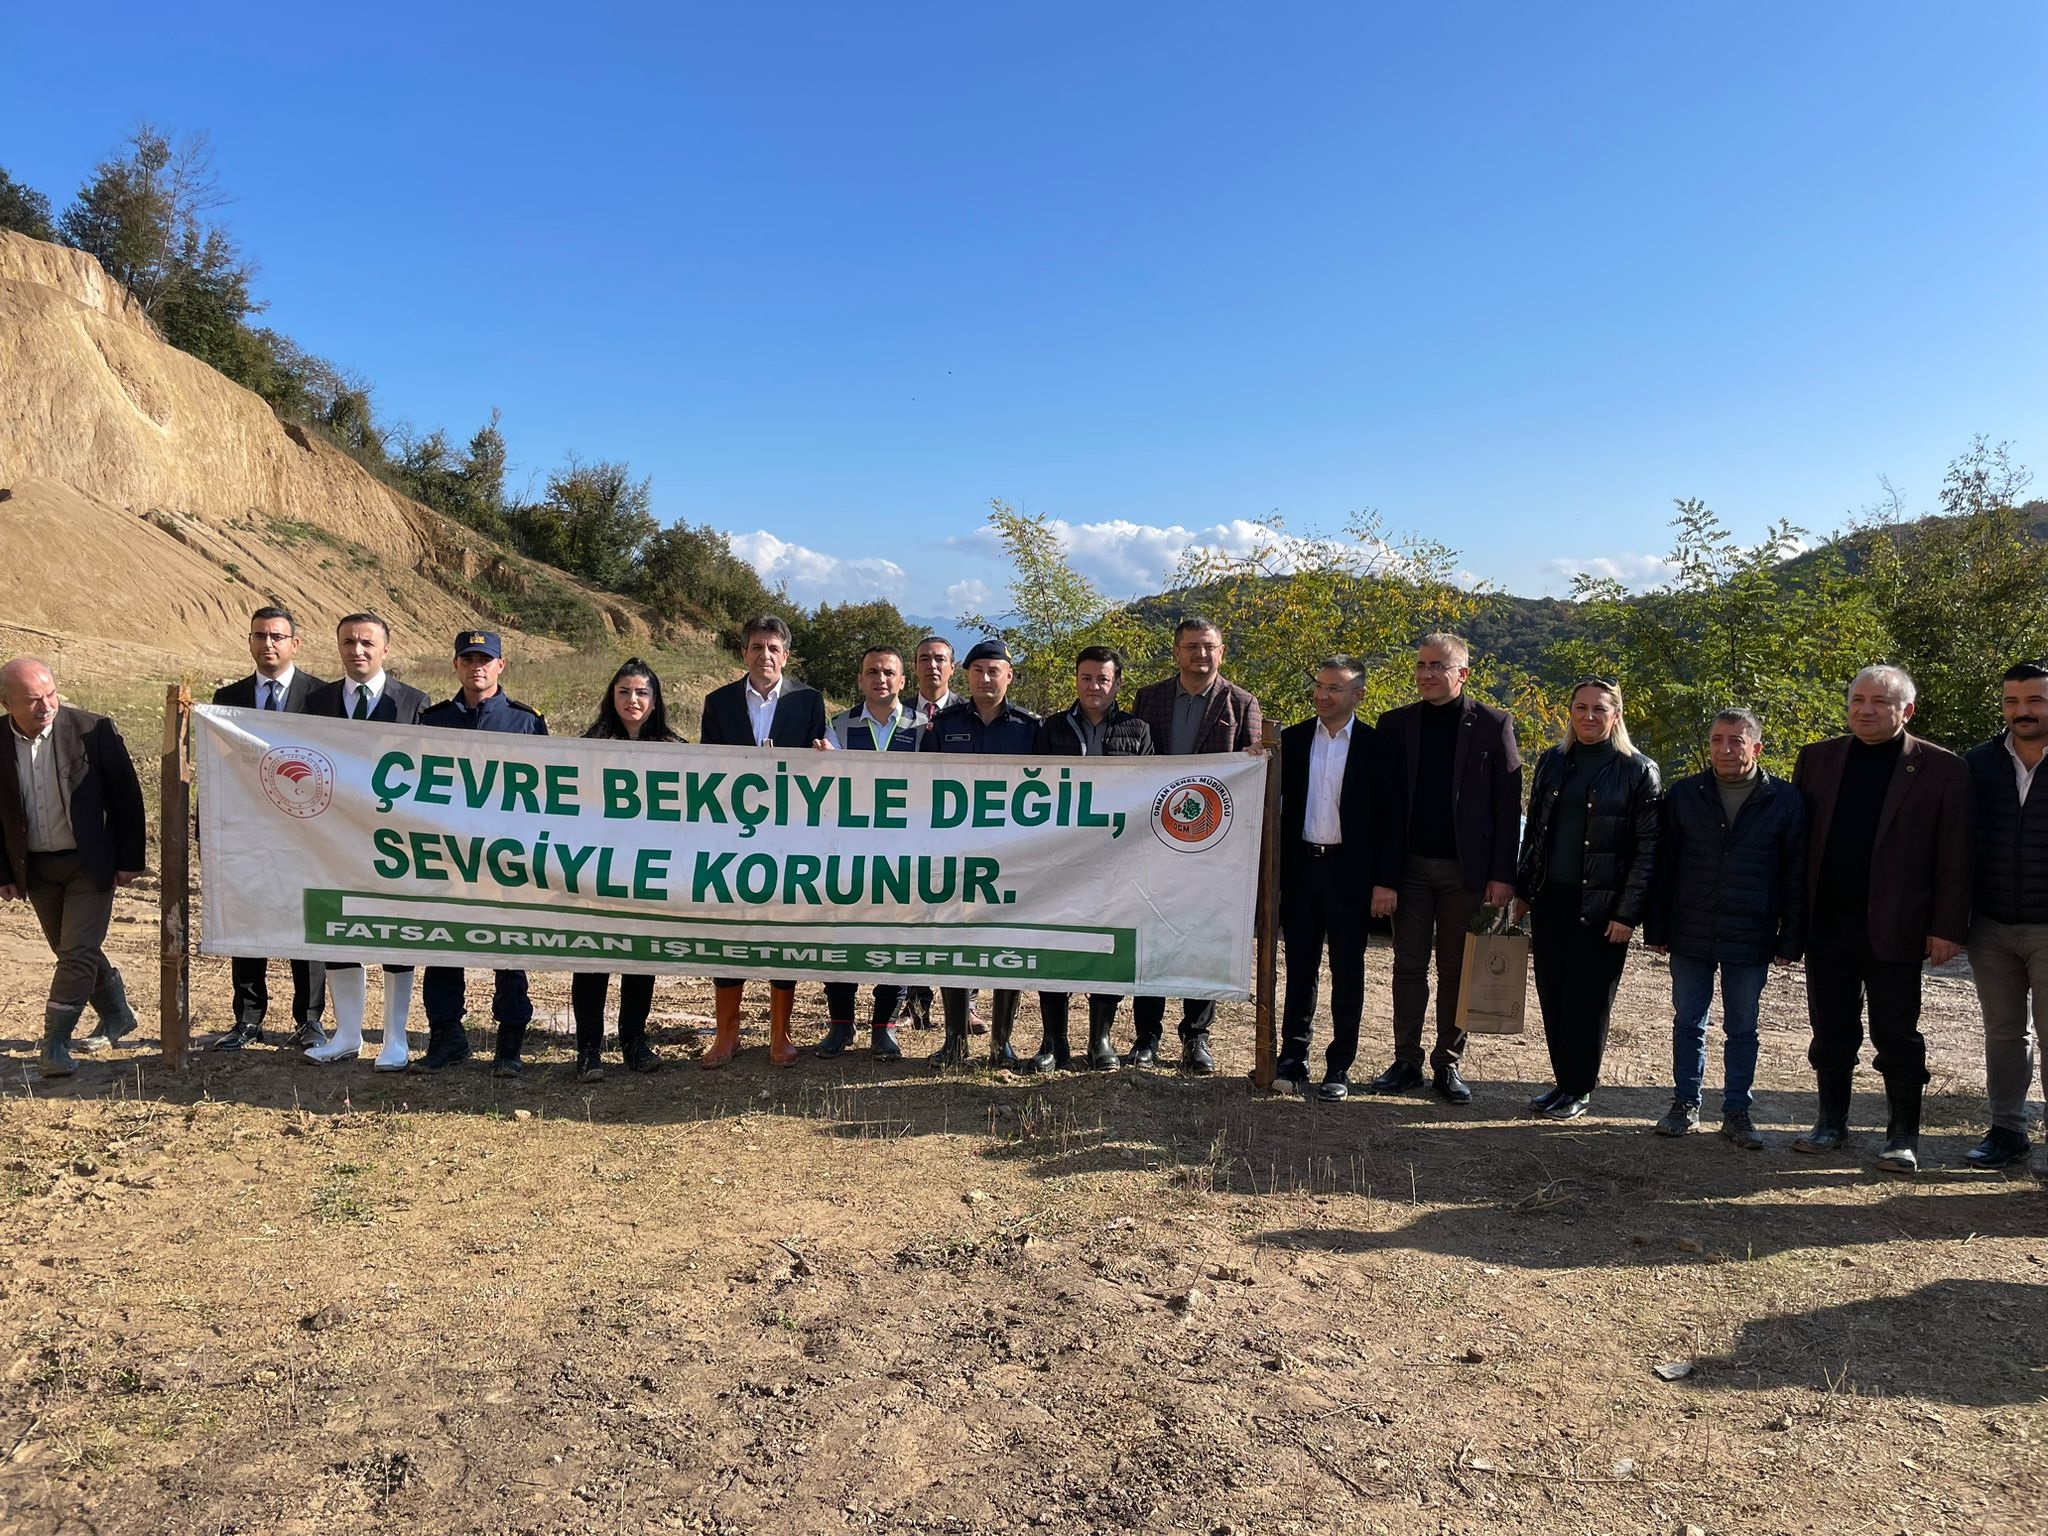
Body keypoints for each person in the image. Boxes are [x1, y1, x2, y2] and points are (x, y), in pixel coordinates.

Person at [1790, 664, 1969, 1173]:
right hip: (1828, 922)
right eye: (1857, 700)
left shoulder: (1941, 769)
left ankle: (1902, 1135)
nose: (1866, 710)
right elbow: (1798, 846)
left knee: (1897, 1034)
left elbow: (1955, 856)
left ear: (1905, 710)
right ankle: (1830, 1123)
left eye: (1880, 702)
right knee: (1830, 1029)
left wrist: (1947, 926)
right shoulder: (1817, 759)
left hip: (1897, 925)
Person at [1643, 709, 1806, 1149]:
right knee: (1688, 1021)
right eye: (1718, 739)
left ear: (1757, 747)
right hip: (1690, 929)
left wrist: (1791, 937)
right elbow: (1664, 867)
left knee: (1743, 1027)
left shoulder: (1784, 800)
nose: (1725, 749)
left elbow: (1795, 875)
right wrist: (1655, 927)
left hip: (1751, 932)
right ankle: (1684, 1104)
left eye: (1736, 740)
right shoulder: (1685, 794)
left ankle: (1737, 1111)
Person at [1373, 632, 1522, 1103]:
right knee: (1408, 966)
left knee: (1458, 971)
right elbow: (1385, 808)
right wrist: (1383, 876)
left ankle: (1448, 1063)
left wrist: (1503, 875)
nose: (1426, 674)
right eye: (1421, 665)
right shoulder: (1394, 724)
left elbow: (1508, 805)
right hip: (1410, 869)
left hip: (1468, 872)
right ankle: (1405, 1061)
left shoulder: (1494, 725)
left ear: (1463, 673)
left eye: (1437, 666)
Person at [1512, 678, 1660, 1120]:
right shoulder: (1554, 761)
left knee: (1589, 1002)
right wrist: (1524, 892)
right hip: (1550, 899)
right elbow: (1534, 833)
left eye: (1599, 709)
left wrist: (1627, 913)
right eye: (1580, 708)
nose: (1588, 716)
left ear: (1616, 715)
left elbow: (1649, 850)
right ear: (1570, 713)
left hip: (1602, 908)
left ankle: (1580, 1087)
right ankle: (1562, 1082)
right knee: (1553, 995)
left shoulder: (1638, 770)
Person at [0, 657, 148, 1078]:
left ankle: (56, 1042)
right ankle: (119, 1014)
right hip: (35, 867)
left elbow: (126, 797)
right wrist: (3, 872)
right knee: (71, 951)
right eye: (32, 700)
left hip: (89, 864)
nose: (46, 706)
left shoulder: (91, 730)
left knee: (77, 951)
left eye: (50, 695)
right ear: (7, 702)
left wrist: (129, 860)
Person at [1129, 617, 1264, 1072]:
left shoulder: (1243, 703)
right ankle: (1146, 1036)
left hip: (1212, 846)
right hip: (1152, 841)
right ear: (1177, 651)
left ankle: (1196, 1037)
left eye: (1208, 647)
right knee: (1150, 937)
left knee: (1200, 939)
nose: (1199, 655)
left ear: (1221, 651)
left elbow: (1254, 775)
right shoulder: (1148, 699)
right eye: (1191, 647)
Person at [698, 614, 828, 1069]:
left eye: (774, 648)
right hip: (730, 836)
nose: (765, 656)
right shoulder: (717, 703)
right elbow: (705, 771)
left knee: (783, 930)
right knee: (729, 930)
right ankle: (726, 1034)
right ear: (743, 653)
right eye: (757, 647)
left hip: (789, 837)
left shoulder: (810, 701)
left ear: (786, 656)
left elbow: (821, 762)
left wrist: (827, 760)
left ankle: (781, 1035)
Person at [304, 613, 432, 1068]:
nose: (357, 651)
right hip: (335, 836)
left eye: (366, 643)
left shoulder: (414, 703)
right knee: (341, 930)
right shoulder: (316, 701)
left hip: (394, 839)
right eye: (348, 642)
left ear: (386, 649)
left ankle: (395, 1038)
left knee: (395, 932)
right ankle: (347, 1034)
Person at [419, 631, 548, 1076]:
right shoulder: (431, 721)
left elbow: (546, 793)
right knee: (441, 947)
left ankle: (510, 1041)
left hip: (505, 859)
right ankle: (446, 1036)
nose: (477, 666)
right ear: (455, 664)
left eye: (485, 659)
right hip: (446, 853)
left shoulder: (525, 722)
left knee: (509, 950)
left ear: (501, 665)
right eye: (468, 658)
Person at [1276, 656, 1401, 1099]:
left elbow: (1391, 820)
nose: (1323, 695)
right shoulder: (1288, 740)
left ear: (1357, 695)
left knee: (1348, 970)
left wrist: (1386, 882)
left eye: (1334, 688)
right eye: (1320, 686)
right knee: (1300, 969)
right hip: (1301, 869)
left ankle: (1339, 1066)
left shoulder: (1377, 746)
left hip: (1351, 873)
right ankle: (1293, 1057)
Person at [212, 605, 331, 1051]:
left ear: (294, 643)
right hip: (247, 831)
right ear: (250, 641)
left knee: (307, 924)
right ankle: (247, 1018)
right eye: (260, 636)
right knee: (249, 921)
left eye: (277, 636)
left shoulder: (321, 697)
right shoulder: (227, 699)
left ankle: (310, 1019)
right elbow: (218, 767)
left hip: (307, 833)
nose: (268, 644)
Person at [1034, 645, 1155, 1071]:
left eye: (1103, 679)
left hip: (1115, 860)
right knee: (1055, 943)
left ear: (1117, 683)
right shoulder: (1050, 729)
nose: (1094, 686)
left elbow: (1149, 792)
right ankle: (1054, 1040)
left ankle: (1100, 1038)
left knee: (1106, 945)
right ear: (1076, 681)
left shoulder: (1137, 730)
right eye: (1086, 678)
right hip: (1061, 858)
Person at [921, 638, 1041, 1067]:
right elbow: (922, 785)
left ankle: (1001, 1044)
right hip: (955, 854)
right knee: (954, 940)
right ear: (966, 676)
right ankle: (954, 1040)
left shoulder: (1031, 729)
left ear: (1009, 675)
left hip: (1012, 856)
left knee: (1007, 941)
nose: (986, 678)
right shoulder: (943, 724)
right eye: (977, 671)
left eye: (994, 671)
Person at [572, 659, 683, 1082]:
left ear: (654, 702)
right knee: (593, 960)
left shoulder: (675, 750)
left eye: (641, 693)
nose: (632, 700)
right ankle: (588, 1050)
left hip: (649, 873)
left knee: (640, 959)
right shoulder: (589, 746)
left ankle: (634, 1042)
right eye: (624, 692)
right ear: (611, 697)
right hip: (597, 871)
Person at [1960, 662, 2048, 1172]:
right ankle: (2008, 1130)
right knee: (2003, 1032)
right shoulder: (1978, 764)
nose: (2023, 711)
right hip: (1990, 924)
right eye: (2012, 702)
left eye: (2034, 700)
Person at [814, 646, 922, 1060]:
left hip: (903, 854)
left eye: (889, 672)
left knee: (895, 938)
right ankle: (840, 1026)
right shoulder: (837, 727)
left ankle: (884, 1027)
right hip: (848, 853)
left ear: (902, 681)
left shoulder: (926, 728)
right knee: (840, 935)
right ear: (859, 680)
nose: (880, 679)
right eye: (872, 672)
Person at [899, 636, 960, 1032]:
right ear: (914, 667)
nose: (932, 666)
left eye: (940, 659)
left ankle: (964, 1002)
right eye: (924, 659)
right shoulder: (897, 715)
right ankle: (912, 1001)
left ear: (953, 668)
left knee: (957, 914)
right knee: (911, 914)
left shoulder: (971, 714)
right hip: (906, 832)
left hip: (957, 835)